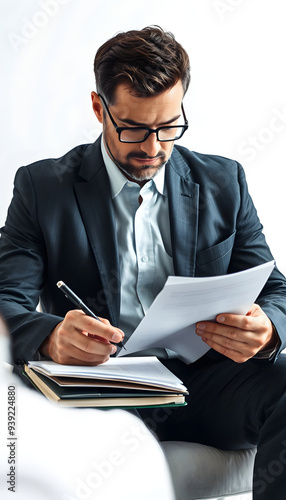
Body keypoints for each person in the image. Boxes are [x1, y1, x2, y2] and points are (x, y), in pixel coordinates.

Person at [0, 26, 286, 498]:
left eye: (169, 127)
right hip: (101, 390)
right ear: (99, 108)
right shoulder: (41, 188)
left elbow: (275, 289)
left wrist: (269, 327)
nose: (153, 148)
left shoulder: (223, 181)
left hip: (204, 387)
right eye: (133, 127)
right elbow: (7, 303)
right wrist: (51, 336)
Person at [0, 316, 175, 500]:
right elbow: (8, 297)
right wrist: (49, 335)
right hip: (92, 370)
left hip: (195, 371)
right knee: (124, 451)